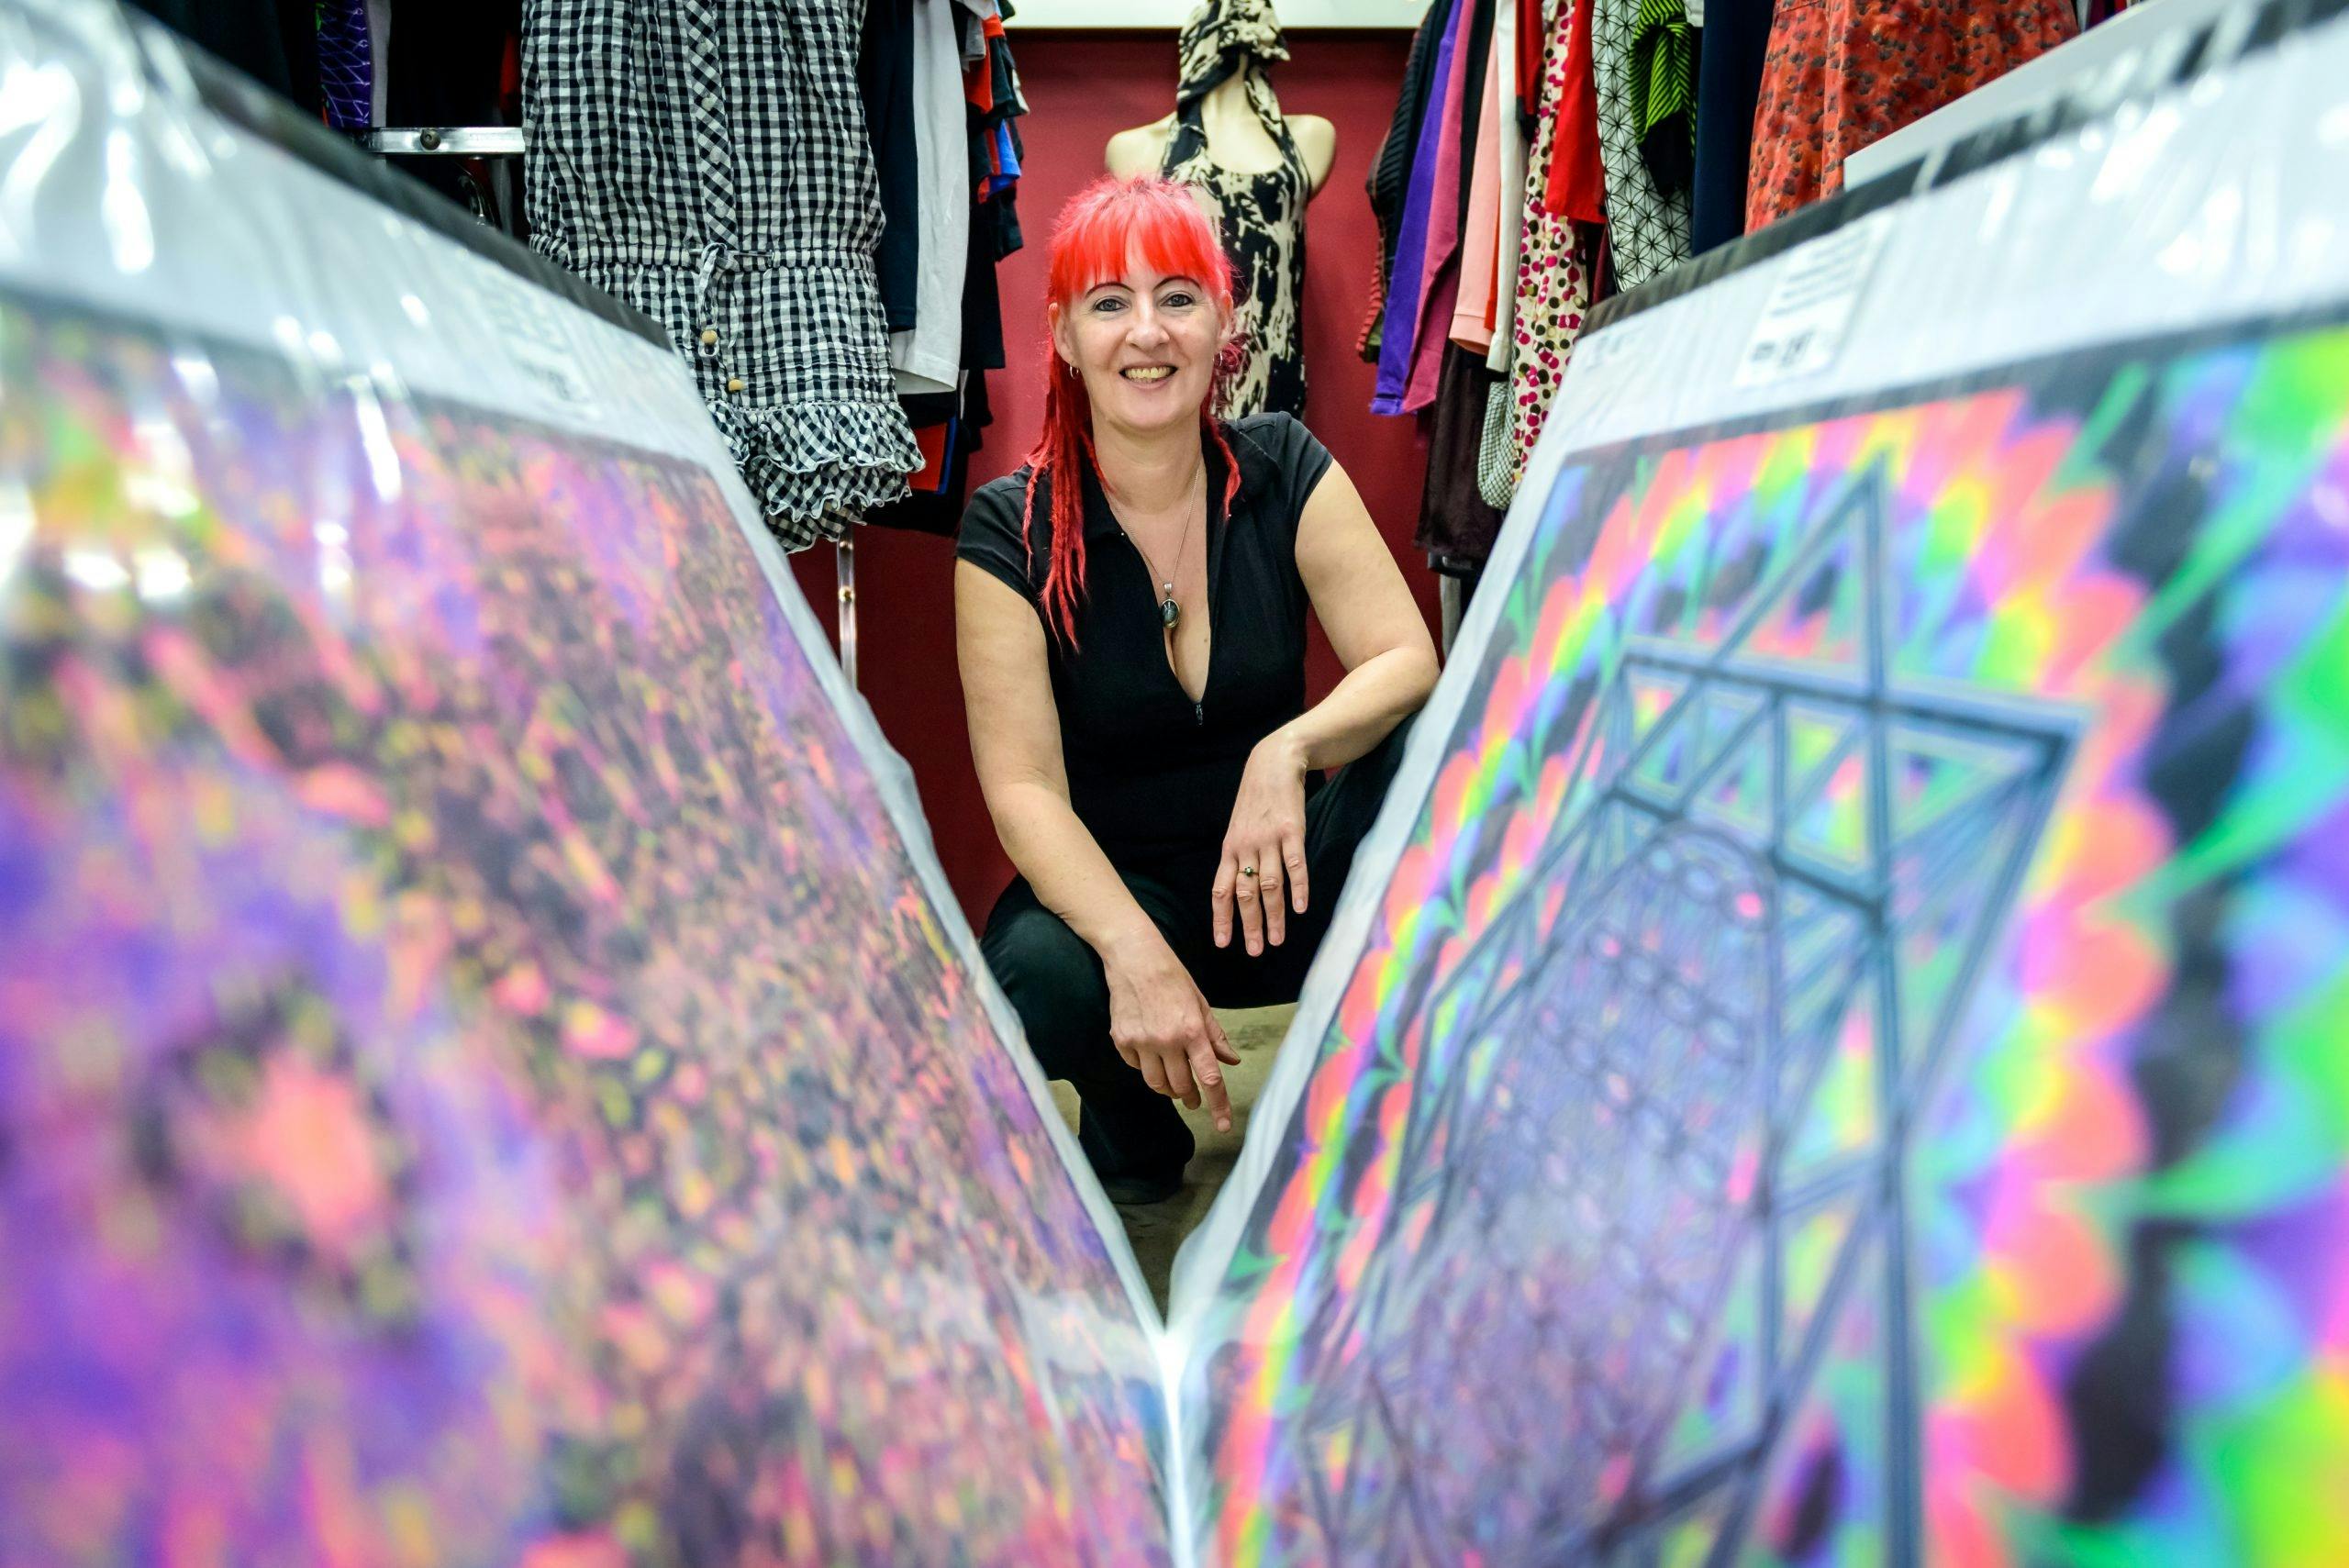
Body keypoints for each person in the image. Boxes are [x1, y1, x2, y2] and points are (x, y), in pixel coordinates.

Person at [956, 177, 1439, 1206]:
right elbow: (1024, 791)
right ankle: (1133, 1135)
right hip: (1129, 895)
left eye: (1177, 297)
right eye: (1109, 302)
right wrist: (1134, 952)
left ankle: (1392, 1105)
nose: (1146, 331)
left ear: (1226, 319)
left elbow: (1407, 656)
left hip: (1285, 880)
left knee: (1438, 744)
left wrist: (1287, 752)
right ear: (1066, 335)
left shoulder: (1284, 465)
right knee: (1033, 975)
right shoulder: (1007, 528)